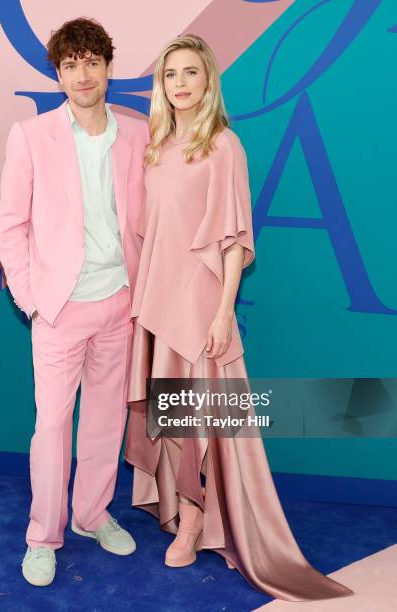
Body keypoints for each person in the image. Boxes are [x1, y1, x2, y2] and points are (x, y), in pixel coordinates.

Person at [124, 34, 354, 602]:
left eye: (190, 73)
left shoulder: (223, 146)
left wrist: (223, 312)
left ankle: (200, 520)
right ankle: (179, 507)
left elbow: (233, 240)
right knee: (170, 413)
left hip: (199, 301)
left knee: (200, 416)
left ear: (208, 83)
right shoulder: (156, 146)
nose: (179, 83)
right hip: (157, 298)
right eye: (170, 74)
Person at [0, 18, 148, 587]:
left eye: (91, 62)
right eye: (70, 65)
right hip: (58, 309)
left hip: (118, 303)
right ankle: (43, 535)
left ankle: (91, 515)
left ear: (108, 68)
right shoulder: (31, 136)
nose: (81, 75)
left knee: (106, 421)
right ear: (57, 75)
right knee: (53, 427)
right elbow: (10, 225)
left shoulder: (137, 134)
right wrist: (33, 300)